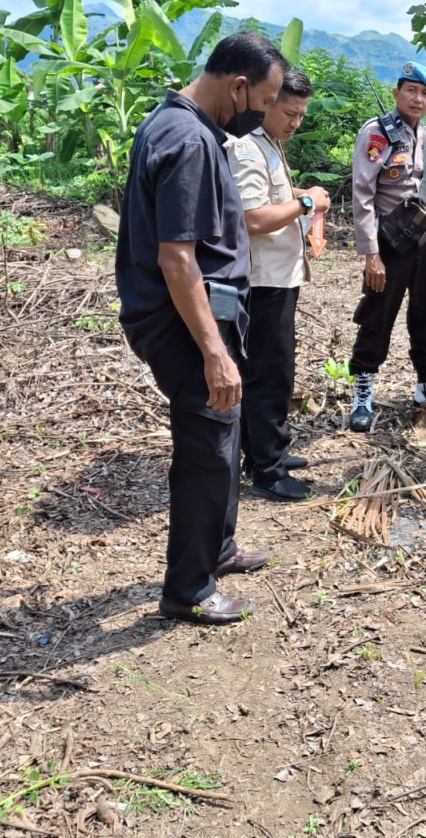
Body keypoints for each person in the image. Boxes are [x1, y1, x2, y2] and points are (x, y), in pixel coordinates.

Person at [115, 32, 287, 626]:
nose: (264, 112)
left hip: (206, 316)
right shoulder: (188, 140)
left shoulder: (180, 126)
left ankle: (218, 547)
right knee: (206, 449)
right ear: (238, 87)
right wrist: (213, 352)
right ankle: (188, 587)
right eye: (264, 101)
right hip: (187, 325)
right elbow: (177, 257)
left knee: (225, 434)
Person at [226, 66, 331, 502]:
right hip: (261, 282)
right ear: (268, 103)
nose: (295, 123)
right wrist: (305, 201)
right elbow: (252, 218)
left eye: (302, 115)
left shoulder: (269, 143)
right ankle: (268, 471)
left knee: (273, 371)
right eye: (289, 112)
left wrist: (299, 201)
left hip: (278, 278)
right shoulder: (246, 147)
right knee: (268, 374)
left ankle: (266, 452)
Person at [346, 61, 426, 432]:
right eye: (411, 90)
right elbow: (363, 195)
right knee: (378, 313)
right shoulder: (377, 133)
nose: (418, 99)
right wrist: (371, 254)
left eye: (425, 93)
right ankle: (363, 392)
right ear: (396, 93)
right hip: (389, 243)